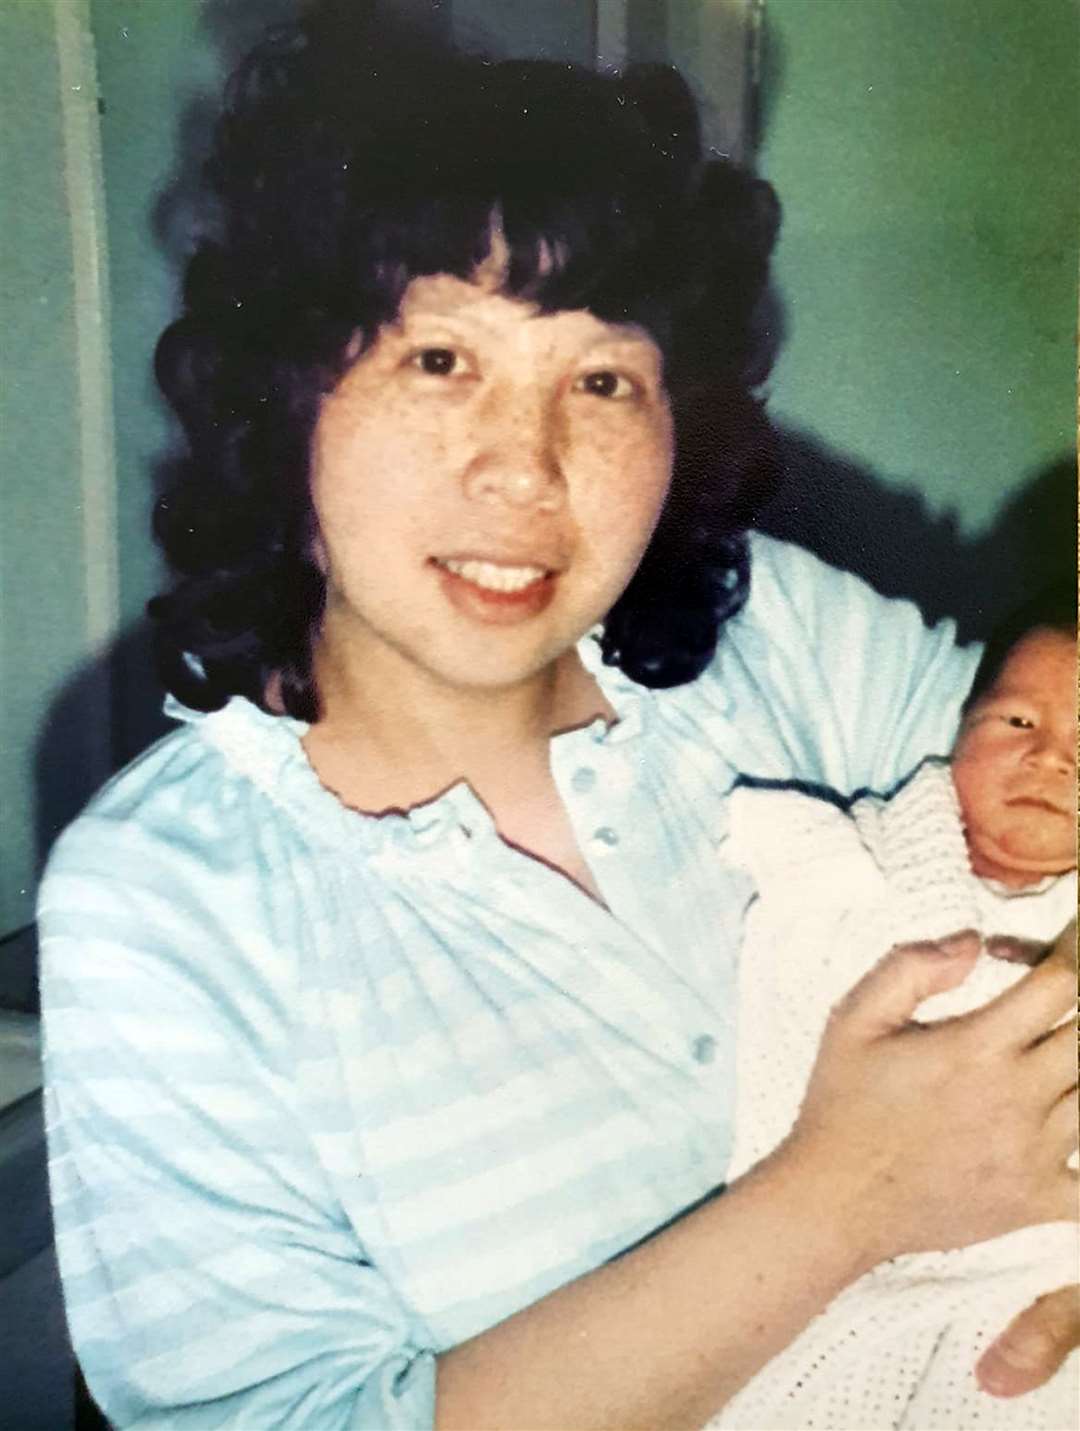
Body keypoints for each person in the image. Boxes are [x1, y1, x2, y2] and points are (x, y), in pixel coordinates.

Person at [37, 7, 1077, 1428]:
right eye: (439, 360)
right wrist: (850, 1198)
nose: (525, 469)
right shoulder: (163, 900)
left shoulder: (767, 632)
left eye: (601, 380)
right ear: (288, 400)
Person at [710, 586, 1078, 1430]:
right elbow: (773, 847)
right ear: (956, 730)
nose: (1053, 760)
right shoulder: (860, 854)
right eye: (1018, 723)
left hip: (1029, 1274)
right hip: (818, 1239)